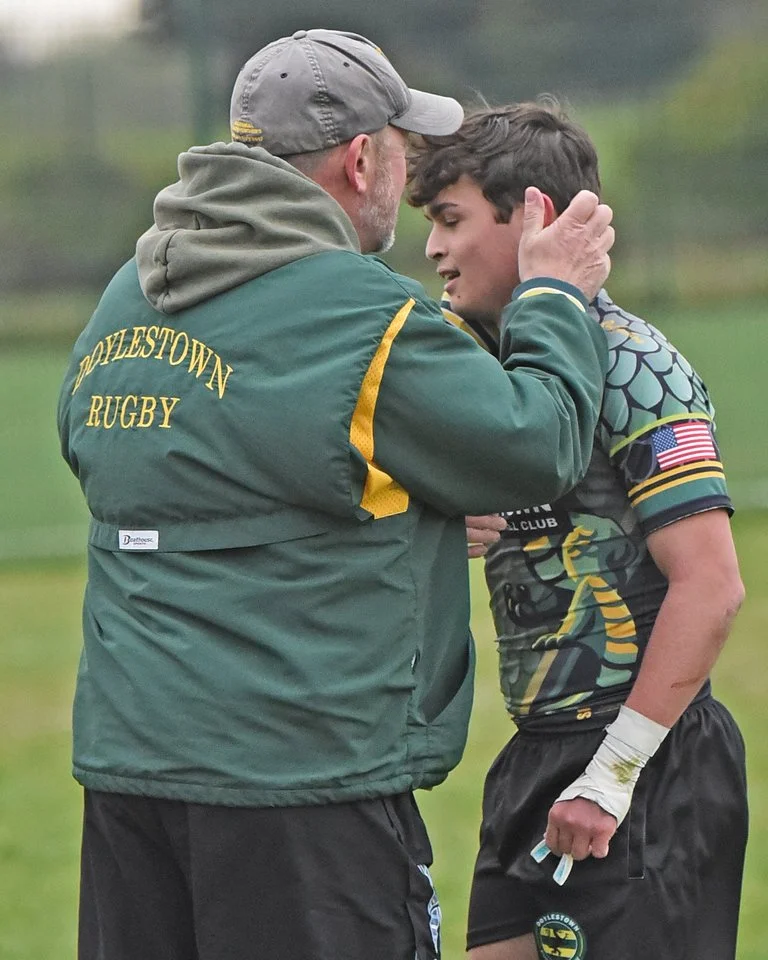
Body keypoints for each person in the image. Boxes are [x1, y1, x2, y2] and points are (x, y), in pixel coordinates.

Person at [57, 30, 614, 960]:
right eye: (402, 147)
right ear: (362, 160)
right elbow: (536, 442)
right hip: (304, 782)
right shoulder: (361, 313)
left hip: (129, 773)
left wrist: (414, 499)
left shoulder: (127, 296)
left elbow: (164, 463)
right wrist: (551, 296)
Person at [408, 102, 747, 960]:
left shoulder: (634, 363)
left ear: (534, 220)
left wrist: (613, 773)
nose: (432, 249)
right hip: (537, 755)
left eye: (450, 221)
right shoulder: (488, 370)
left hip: (644, 764)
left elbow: (711, 586)